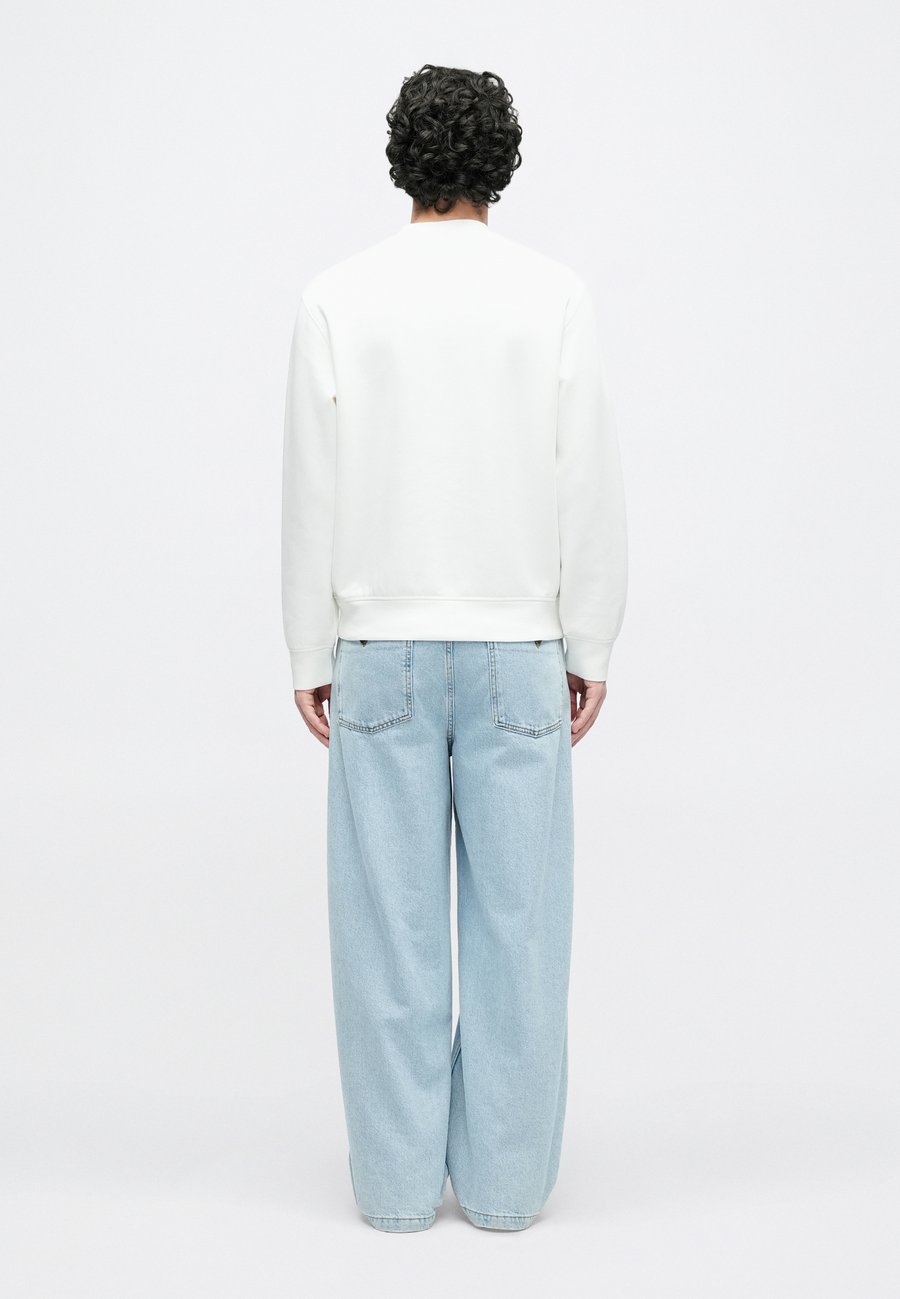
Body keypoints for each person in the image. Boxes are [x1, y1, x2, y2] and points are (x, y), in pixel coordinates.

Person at [281, 63, 628, 1233]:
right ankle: (507, 1191)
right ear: (502, 162)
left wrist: (308, 647)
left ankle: (392, 1190)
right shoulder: (554, 295)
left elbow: (311, 485)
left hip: (377, 646)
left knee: (388, 936)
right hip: (518, 645)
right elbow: (588, 478)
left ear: (402, 160)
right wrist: (591, 636)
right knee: (520, 933)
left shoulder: (337, 297)